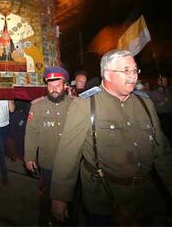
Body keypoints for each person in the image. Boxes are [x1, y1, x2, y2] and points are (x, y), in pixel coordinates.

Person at [50, 50, 172, 225]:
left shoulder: (145, 103)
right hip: (105, 198)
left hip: (144, 198)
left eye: (135, 70)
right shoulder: (85, 105)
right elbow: (67, 155)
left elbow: (163, 152)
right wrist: (60, 197)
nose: (133, 76)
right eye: (126, 71)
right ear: (108, 74)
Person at [24, 66, 73, 225]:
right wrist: (29, 156)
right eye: (50, 86)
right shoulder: (37, 106)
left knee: (72, 201)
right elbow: (31, 132)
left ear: (65, 85)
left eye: (58, 85)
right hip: (48, 162)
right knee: (46, 198)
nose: (54, 89)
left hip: (72, 164)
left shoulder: (77, 104)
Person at [149, 76, 172, 142]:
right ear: (158, 82)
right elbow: (152, 105)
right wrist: (163, 102)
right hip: (162, 116)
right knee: (165, 134)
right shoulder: (154, 93)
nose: (165, 82)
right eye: (163, 81)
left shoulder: (168, 91)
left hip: (170, 114)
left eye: (166, 81)